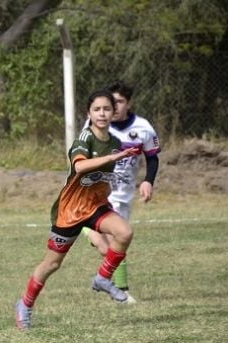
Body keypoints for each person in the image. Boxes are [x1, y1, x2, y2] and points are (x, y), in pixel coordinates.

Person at [14, 90, 142, 330]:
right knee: (52, 264)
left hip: (95, 206)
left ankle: (103, 278)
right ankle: (25, 304)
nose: (102, 114)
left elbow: (102, 177)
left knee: (124, 233)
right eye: (97, 110)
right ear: (89, 113)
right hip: (70, 211)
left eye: (107, 109)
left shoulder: (114, 143)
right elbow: (81, 166)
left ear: (114, 112)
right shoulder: (85, 139)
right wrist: (119, 156)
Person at [82, 80, 161, 304]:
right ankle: (121, 291)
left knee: (113, 246)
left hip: (124, 195)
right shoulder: (94, 125)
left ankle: (87, 231)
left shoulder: (143, 128)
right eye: (111, 102)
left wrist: (148, 181)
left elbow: (152, 157)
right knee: (118, 238)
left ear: (128, 103)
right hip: (100, 193)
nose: (113, 108)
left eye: (119, 102)